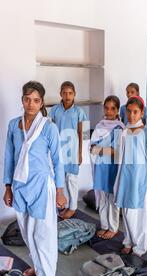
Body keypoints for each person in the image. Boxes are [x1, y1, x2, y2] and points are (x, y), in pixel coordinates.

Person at [3, 81, 67, 276]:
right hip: (20, 186)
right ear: (22, 100)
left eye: (36, 100)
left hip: (41, 187)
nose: (31, 104)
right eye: (27, 99)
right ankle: (38, 266)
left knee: (43, 234)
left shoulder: (49, 127)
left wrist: (60, 190)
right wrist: (8, 187)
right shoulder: (14, 125)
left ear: (42, 103)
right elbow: (9, 158)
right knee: (27, 232)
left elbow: (58, 161)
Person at [115, 96, 147, 257]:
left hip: (140, 178)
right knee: (126, 211)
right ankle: (128, 240)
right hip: (125, 176)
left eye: (135, 112)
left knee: (139, 213)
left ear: (142, 113)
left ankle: (140, 246)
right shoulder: (124, 131)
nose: (131, 115)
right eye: (129, 112)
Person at [49, 81, 87, 220]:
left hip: (72, 150)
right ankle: (61, 204)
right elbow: (50, 130)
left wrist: (80, 153)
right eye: (64, 93)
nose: (67, 95)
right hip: (57, 150)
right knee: (58, 178)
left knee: (72, 179)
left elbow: (82, 132)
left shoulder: (79, 112)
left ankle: (73, 207)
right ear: (60, 94)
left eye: (70, 93)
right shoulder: (54, 110)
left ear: (74, 94)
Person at [90, 96, 125, 240]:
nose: (109, 111)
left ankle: (113, 227)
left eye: (112, 108)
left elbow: (117, 151)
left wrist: (99, 150)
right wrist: (98, 149)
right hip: (100, 167)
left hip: (112, 168)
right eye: (106, 108)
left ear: (117, 110)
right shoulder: (99, 125)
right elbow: (91, 146)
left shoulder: (119, 128)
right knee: (102, 197)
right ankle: (104, 225)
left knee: (112, 198)